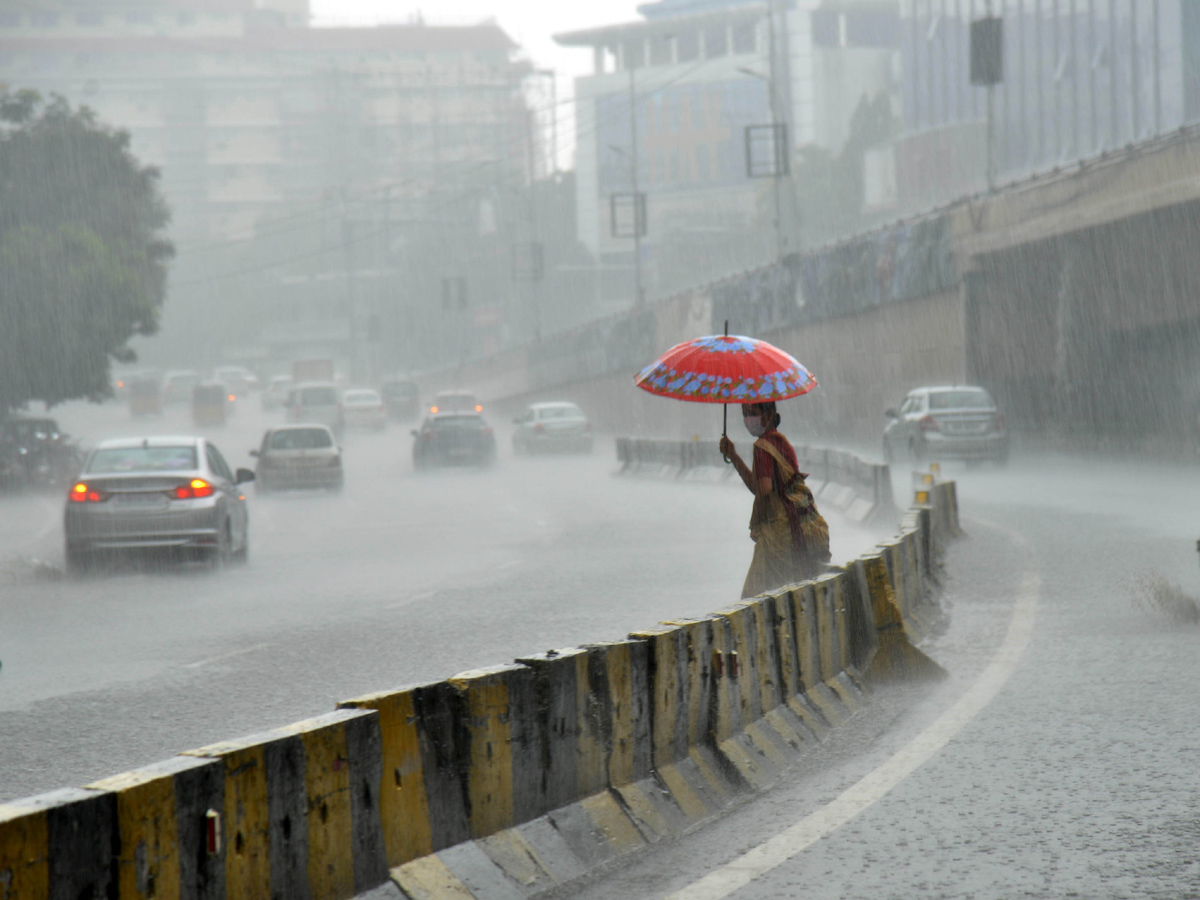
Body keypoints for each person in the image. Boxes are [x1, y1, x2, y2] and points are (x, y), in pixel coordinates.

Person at [719, 401, 831, 598]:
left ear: (769, 414)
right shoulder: (780, 442)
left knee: (757, 595)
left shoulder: (762, 447)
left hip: (778, 531)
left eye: (752, 413)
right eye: (744, 414)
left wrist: (756, 521)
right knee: (794, 591)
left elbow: (763, 489)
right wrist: (734, 456)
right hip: (796, 525)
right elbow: (760, 485)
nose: (748, 420)